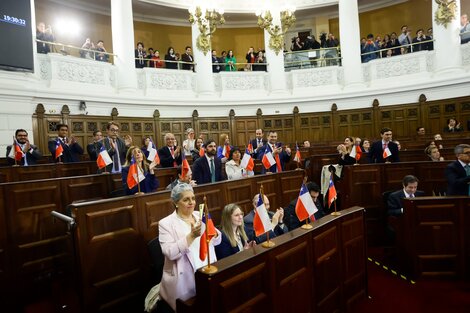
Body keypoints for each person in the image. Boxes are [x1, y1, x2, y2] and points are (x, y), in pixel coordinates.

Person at [158, 183, 221, 311]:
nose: (191, 202)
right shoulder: (166, 224)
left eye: (192, 198)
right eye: (186, 199)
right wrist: (191, 236)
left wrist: (215, 234)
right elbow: (170, 253)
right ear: (176, 202)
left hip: (207, 268)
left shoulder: (200, 215)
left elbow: (215, 241)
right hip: (184, 278)